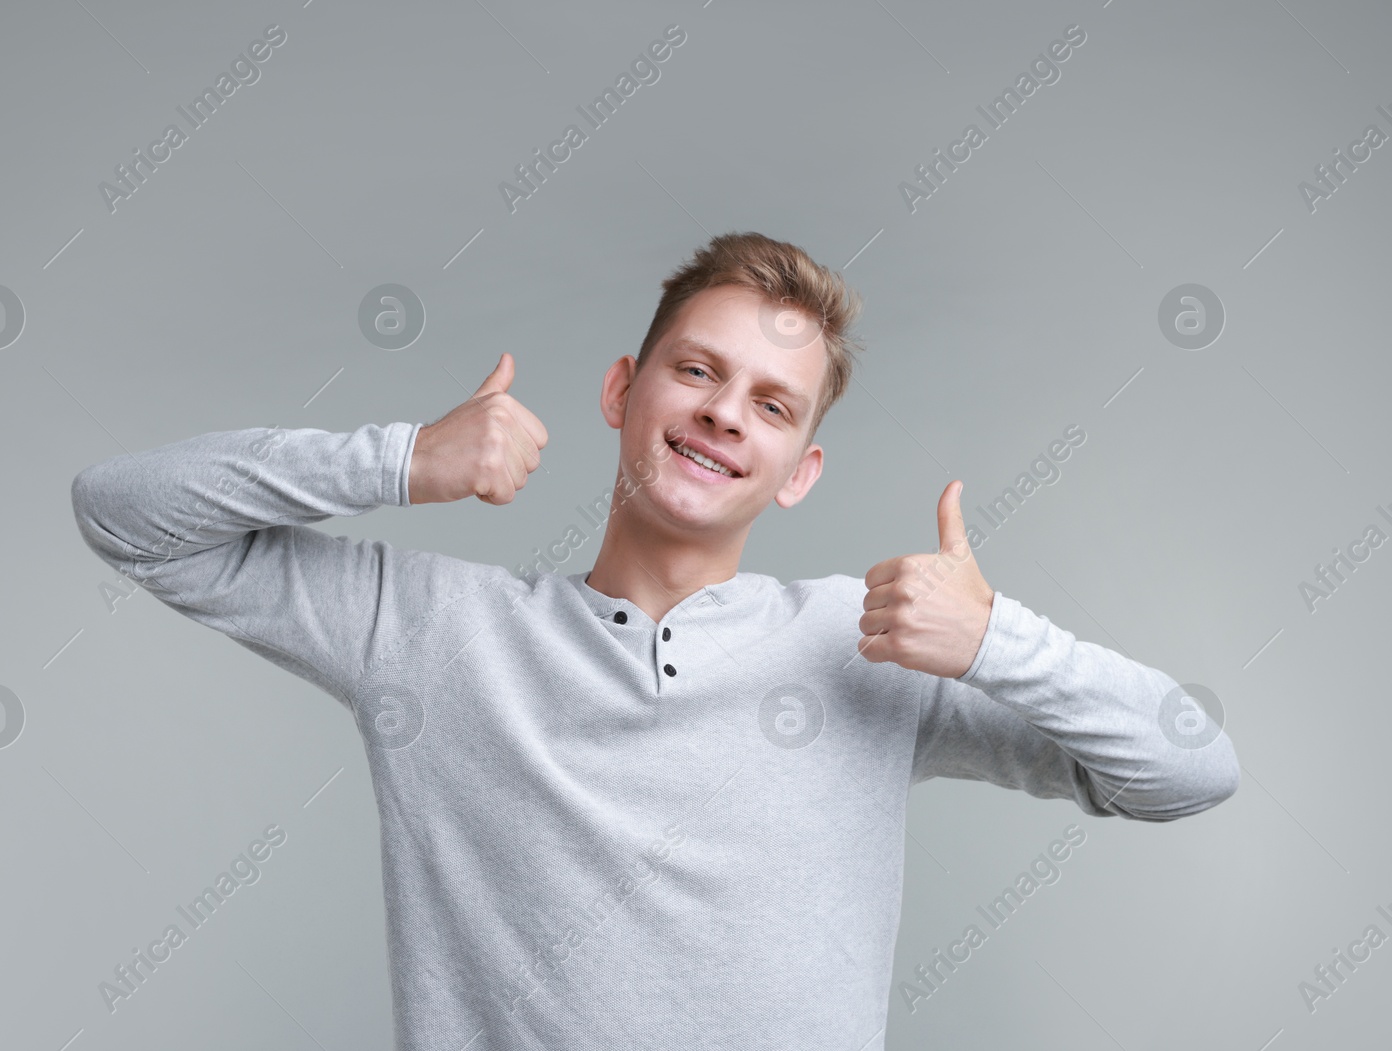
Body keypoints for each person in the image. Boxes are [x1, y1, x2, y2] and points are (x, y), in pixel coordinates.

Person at [70, 231, 1239, 1050]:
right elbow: (124, 512)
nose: (727, 411)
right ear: (623, 391)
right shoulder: (429, 634)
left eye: (772, 403)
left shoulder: (862, 643)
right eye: (697, 370)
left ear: (798, 472)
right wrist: (398, 459)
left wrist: (996, 639)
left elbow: (1189, 768)